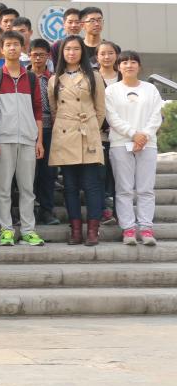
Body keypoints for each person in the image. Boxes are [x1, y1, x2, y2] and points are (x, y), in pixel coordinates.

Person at [49, 35, 106, 246]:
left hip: (87, 134)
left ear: (82, 52)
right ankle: (75, 230)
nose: (71, 53)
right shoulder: (55, 80)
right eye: (67, 49)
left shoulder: (94, 76)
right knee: (70, 186)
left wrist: (90, 128)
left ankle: (93, 230)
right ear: (61, 53)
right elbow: (55, 110)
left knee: (92, 185)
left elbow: (100, 110)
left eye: (76, 49)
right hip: (65, 135)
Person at [0, 31, 45, 246]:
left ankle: (28, 231)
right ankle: (6, 230)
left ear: (23, 49)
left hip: (28, 140)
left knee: (27, 189)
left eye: (16, 44)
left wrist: (39, 141)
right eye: (8, 44)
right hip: (4, 140)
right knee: (3, 188)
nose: (12, 48)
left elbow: (38, 111)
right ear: (2, 49)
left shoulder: (31, 78)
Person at [106, 50, 164, 246]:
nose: (129, 65)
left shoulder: (150, 89)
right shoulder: (111, 91)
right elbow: (112, 117)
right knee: (124, 189)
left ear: (139, 66)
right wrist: (133, 134)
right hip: (120, 143)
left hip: (148, 144)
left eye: (133, 62)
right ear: (118, 67)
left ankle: (146, 228)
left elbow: (156, 115)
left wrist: (144, 135)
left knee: (146, 189)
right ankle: (128, 229)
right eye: (124, 62)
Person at [29, 38, 60, 225]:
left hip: (50, 129)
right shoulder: (24, 76)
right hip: (27, 128)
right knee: (28, 173)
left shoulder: (54, 79)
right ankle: (29, 210)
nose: (38, 58)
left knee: (48, 173)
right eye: (35, 55)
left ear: (48, 56)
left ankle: (47, 211)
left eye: (42, 55)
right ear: (29, 55)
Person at [97, 41, 121, 224]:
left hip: (122, 136)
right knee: (101, 175)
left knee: (119, 176)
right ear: (97, 57)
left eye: (110, 53)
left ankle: (120, 212)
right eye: (102, 53)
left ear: (117, 56)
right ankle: (104, 209)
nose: (107, 57)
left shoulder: (124, 76)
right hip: (100, 135)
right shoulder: (92, 76)